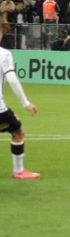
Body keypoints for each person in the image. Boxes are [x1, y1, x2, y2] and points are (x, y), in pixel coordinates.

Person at [0, 41, 40, 179]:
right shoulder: (4, 54)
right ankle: (19, 171)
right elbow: (12, 80)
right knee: (18, 132)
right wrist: (26, 103)